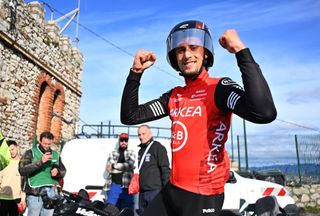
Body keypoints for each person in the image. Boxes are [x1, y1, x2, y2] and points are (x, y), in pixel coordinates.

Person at [120, 20, 277, 216]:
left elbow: (264, 112)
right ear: (174, 57)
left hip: (203, 195)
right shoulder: (175, 95)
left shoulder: (219, 88)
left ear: (205, 53)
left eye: (193, 47)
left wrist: (240, 50)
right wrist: (135, 73)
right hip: (173, 189)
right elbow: (130, 115)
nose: (187, 55)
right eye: (180, 50)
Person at [19, 131, 66, 216]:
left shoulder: (55, 154)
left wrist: (57, 171)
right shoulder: (30, 153)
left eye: (49, 144)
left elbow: (63, 171)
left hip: (51, 191)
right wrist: (41, 162)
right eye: (44, 143)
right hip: (35, 190)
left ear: (52, 142)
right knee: (34, 214)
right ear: (40, 141)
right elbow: (22, 170)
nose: (46, 146)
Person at [136, 125, 170, 215]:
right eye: (139, 135)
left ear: (150, 134)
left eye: (143, 134)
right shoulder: (140, 150)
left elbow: (165, 169)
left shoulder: (158, 147)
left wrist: (166, 191)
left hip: (155, 191)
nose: (141, 137)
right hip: (142, 193)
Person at [103, 133, 136, 210]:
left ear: (128, 141)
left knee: (126, 211)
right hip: (114, 186)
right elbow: (109, 169)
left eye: (126, 140)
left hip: (127, 187)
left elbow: (130, 165)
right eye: (122, 140)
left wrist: (115, 166)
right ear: (119, 141)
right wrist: (125, 167)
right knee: (110, 210)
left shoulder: (131, 153)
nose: (123, 142)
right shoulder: (113, 153)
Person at [0, 140, 26, 216]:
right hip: (2, 197)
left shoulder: (23, 164)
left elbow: (24, 183)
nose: (11, 152)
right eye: (8, 151)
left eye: (12, 149)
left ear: (17, 147)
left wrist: (23, 199)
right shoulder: (3, 164)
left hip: (17, 199)